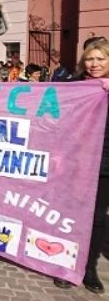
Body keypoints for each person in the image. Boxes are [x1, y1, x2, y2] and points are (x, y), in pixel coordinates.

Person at [54, 37, 109, 293]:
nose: (94, 64)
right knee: (70, 214)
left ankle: (89, 268)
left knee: (97, 218)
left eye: (100, 59)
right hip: (75, 161)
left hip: (104, 163)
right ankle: (66, 263)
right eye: (89, 59)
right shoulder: (73, 85)